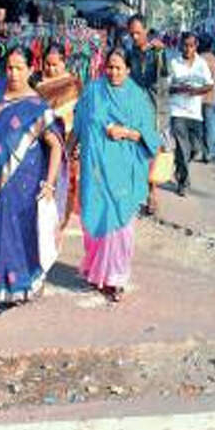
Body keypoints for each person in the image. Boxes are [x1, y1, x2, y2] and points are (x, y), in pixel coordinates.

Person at [0, 47, 66, 307]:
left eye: (19, 68)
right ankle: (2, 281)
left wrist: (50, 183)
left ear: (31, 69)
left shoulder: (36, 105)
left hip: (24, 180)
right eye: (9, 68)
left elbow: (56, 145)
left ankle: (19, 285)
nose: (13, 73)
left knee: (17, 232)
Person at [74, 47, 161, 303]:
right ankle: (95, 270)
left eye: (118, 68)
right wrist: (67, 154)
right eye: (109, 67)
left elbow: (151, 138)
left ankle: (116, 277)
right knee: (95, 220)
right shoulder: (92, 91)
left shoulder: (137, 97)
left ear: (128, 70)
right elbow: (79, 125)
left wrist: (125, 132)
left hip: (124, 171)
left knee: (120, 227)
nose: (113, 72)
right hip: (95, 170)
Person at [37, 42, 83, 227]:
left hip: (70, 139)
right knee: (46, 179)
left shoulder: (74, 83)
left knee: (69, 183)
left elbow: (81, 112)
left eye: (55, 65)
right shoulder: (37, 83)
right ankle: (46, 221)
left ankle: (61, 222)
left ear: (64, 63)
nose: (51, 68)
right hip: (45, 140)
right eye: (47, 64)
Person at [125, 14, 167, 215]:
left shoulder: (157, 52)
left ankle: (153, 192)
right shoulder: (128, 52)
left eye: (138, 33)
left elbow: (163, 79)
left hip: (152, 108)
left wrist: (159, 52)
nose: (134, 37)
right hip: (131, 108)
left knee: (152, 150)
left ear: (146, 31)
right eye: (131, 33)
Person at [168, 33, 213, 196]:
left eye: (191, 46)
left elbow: (209, 85)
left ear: (196, 46)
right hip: (177, 111)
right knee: (182, 147)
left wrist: (195, 91)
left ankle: (179, 164)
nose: (188, 49)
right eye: (185, 45)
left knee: (194, 149)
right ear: (180, 45)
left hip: (195, 113)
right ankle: (183, 183)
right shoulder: (174, 63)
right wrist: (179, 89)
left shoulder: (201, 64)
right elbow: (166, 86)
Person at [197, 38, 215, 162]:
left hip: (196, 97)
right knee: (208, 125)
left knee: (196, 124)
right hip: (210, 97)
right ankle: (207, 152)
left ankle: (195, 150)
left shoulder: (198, 59)